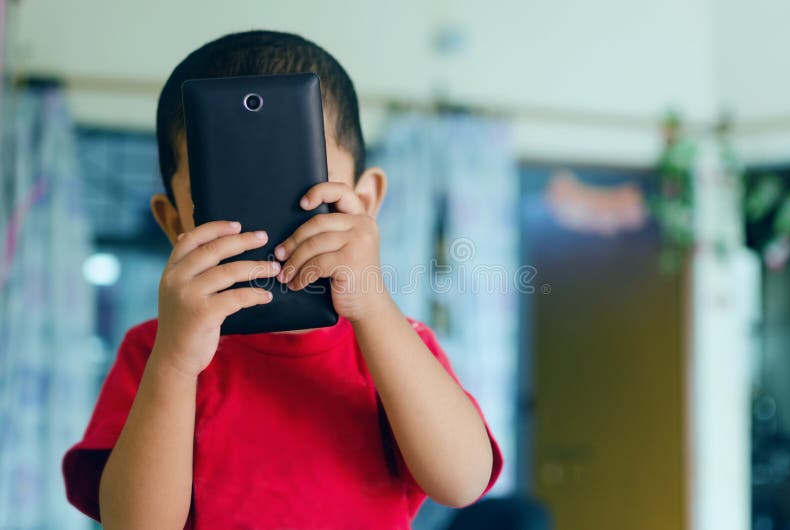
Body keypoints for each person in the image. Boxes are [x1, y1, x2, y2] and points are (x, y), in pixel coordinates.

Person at [62, 30, 502, 529]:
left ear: (368, 200)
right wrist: (176, 363)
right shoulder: (155, 351)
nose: (270, 219)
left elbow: (462, 482)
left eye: (304, 186)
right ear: (175, 224)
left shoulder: (397, 343)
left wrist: (375, 308)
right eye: (230, 191)